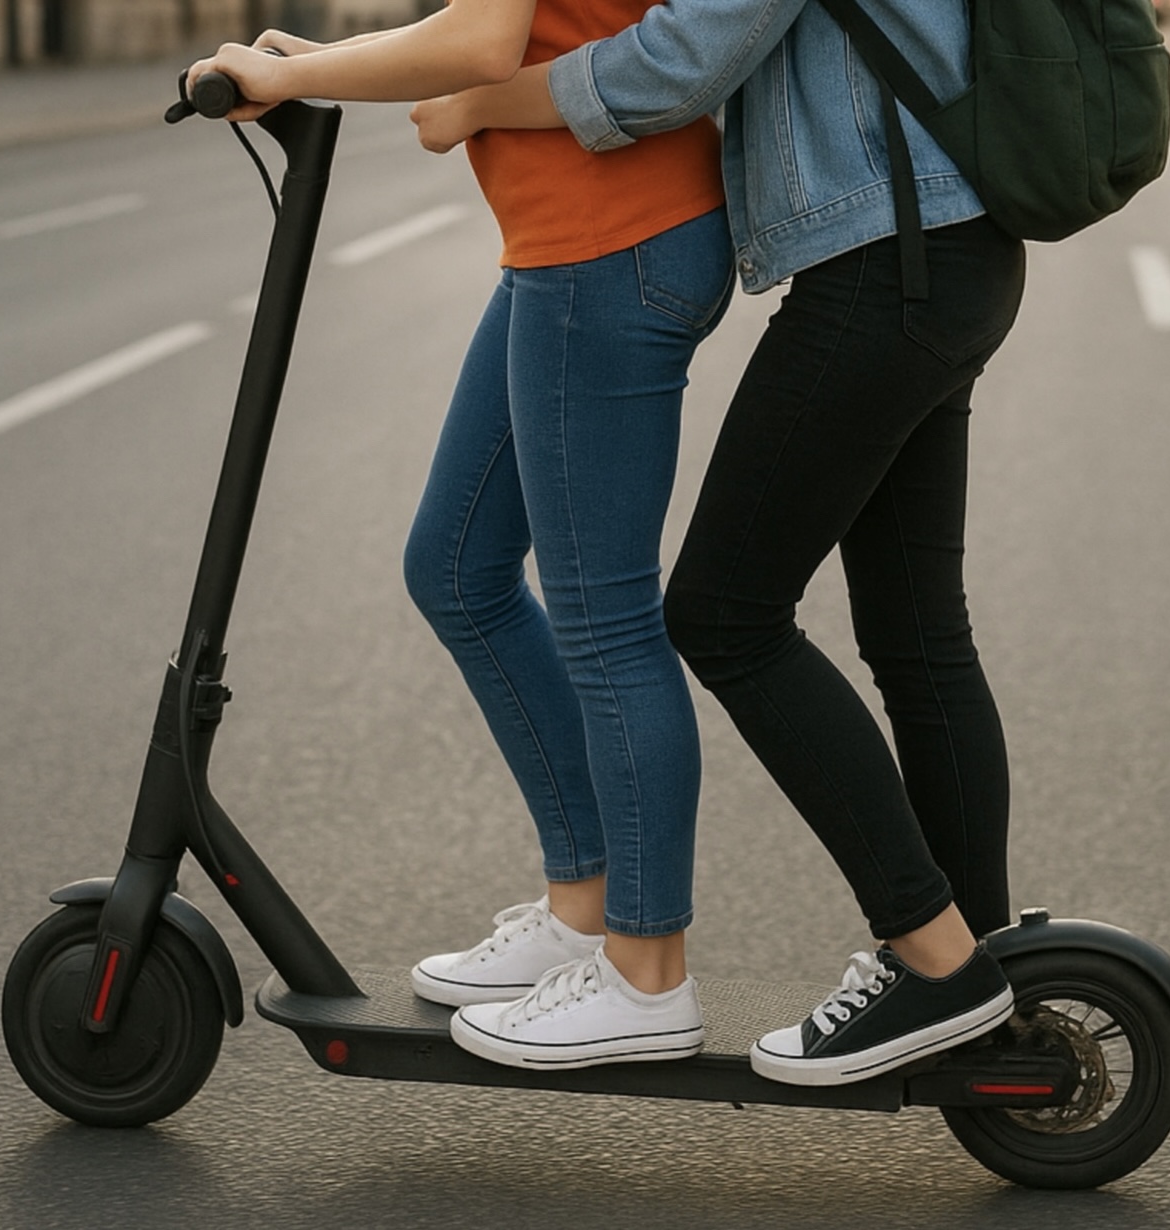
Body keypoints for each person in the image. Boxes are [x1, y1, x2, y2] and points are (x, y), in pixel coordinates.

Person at [409, 0, 1026, 1086]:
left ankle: (937, 962)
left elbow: (680, 62)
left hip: (890, 258)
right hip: (945, 243)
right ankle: (974, 966)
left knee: (724, 616)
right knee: (918, 634)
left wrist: (477, 98)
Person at [186, 1, 734, 1070]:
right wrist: (328, 62)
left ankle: (646, 975)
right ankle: (584, 908)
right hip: (573, 242)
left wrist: (303, 81)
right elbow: (510, 22)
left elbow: (482, 45)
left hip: (609, 244)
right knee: (456, 564)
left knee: (603, 613)